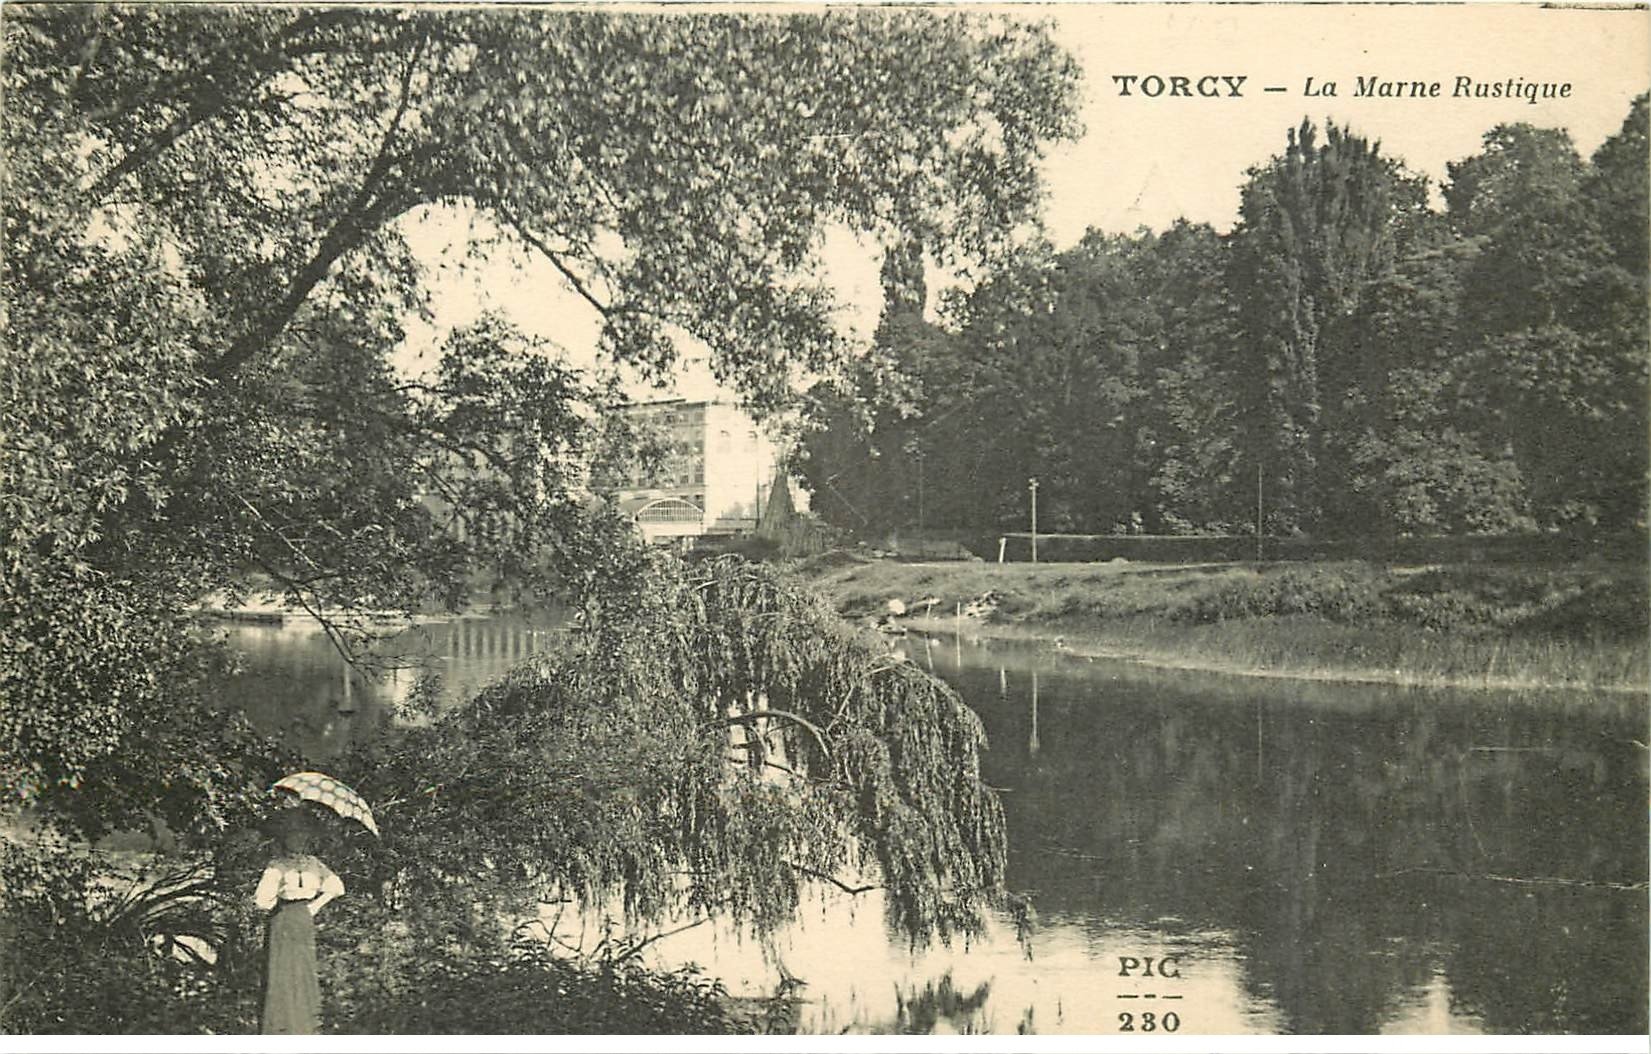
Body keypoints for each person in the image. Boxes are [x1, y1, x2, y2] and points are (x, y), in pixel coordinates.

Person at [253, 809, 344, 1034]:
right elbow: (262, 901)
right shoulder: (277, 865)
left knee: (303, 971)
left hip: (304, 919)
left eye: (302, 834)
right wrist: (278, 896)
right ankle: (280, 1029)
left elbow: (337, 887)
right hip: (282, 920)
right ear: (284, 838)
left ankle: (305, 1028)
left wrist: (315, 906)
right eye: (293, 834)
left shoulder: (314, 863)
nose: (298, 839)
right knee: (282, 972)